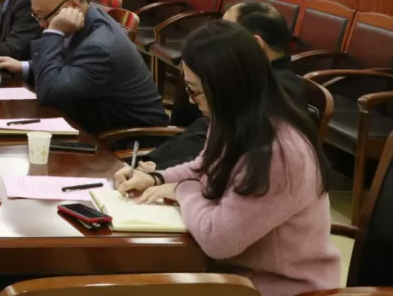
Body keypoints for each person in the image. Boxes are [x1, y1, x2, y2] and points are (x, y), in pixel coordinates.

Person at [116, 21, 339, 296]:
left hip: (284, 287)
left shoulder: (279, 153)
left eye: (195, 90)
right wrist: (154, 178)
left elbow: (217, 239)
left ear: (226, 87)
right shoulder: (235, 119)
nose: (192, 100)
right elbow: (203, 166)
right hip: (233, 275)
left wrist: (181, 190)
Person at [131, 0, 309, 170]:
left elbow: (226, 157)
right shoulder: (234, 76)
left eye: (224, 35)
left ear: (255, 45)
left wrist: (158, 170)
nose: (215, 42)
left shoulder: (277, 93)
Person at [0, 0, 167, 135]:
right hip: (90, 120)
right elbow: (69, 67)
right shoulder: (88, 17)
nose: (41, 24)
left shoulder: (99, 47)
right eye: (36, 16)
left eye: (44, 16)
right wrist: (24, 67)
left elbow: (49, 91)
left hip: (127, 139)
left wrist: (54, 32)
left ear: (74, 5)